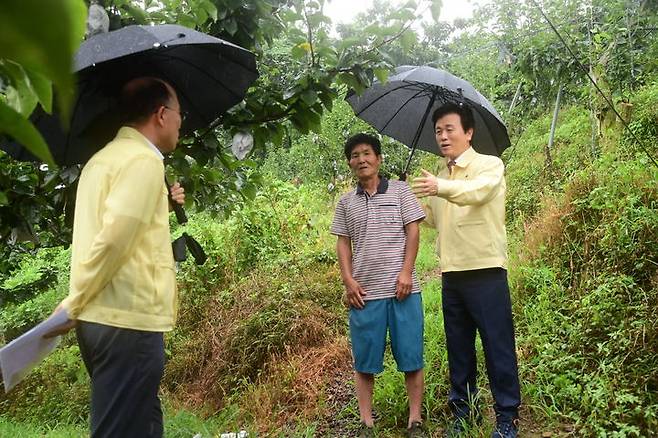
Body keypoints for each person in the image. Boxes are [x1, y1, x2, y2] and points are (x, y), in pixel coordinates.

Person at [44, 77, 186, 438]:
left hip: (103, 320)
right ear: (161, 114)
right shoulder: (143, 161)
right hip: (128, 322)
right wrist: (73, 303)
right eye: (179, 114)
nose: (181, 123)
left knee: (143, 424)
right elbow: (112, 242)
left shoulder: (102, 159)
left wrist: (162, 204)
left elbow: (117, 229)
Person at [411, 102, 521, 438]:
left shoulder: (490, 166)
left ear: (468, 132)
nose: (442, 136)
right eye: (438, 131)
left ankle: (507, 418)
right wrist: (408, 198)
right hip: (452, 275)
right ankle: (464, 413)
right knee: (459, 349)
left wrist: (440, 189)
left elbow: (477, 194)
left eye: (449, 129)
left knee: (497, 347)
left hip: (486, 271)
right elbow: (434, 219)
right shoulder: (440, 177)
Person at [330, 133, 427, 438]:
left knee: (411, 356)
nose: (362, 159)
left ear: (379, 158)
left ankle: (415, 420)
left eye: (367, 153)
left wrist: (407, 272)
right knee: (365, 361)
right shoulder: (346, 202)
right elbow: (343, 244)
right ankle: (365, 422)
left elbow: (413, 233)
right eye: (356, 155)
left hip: (403, 290)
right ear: (350, 163)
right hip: (365, 293)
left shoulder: (401, 191)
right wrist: (348, 281)